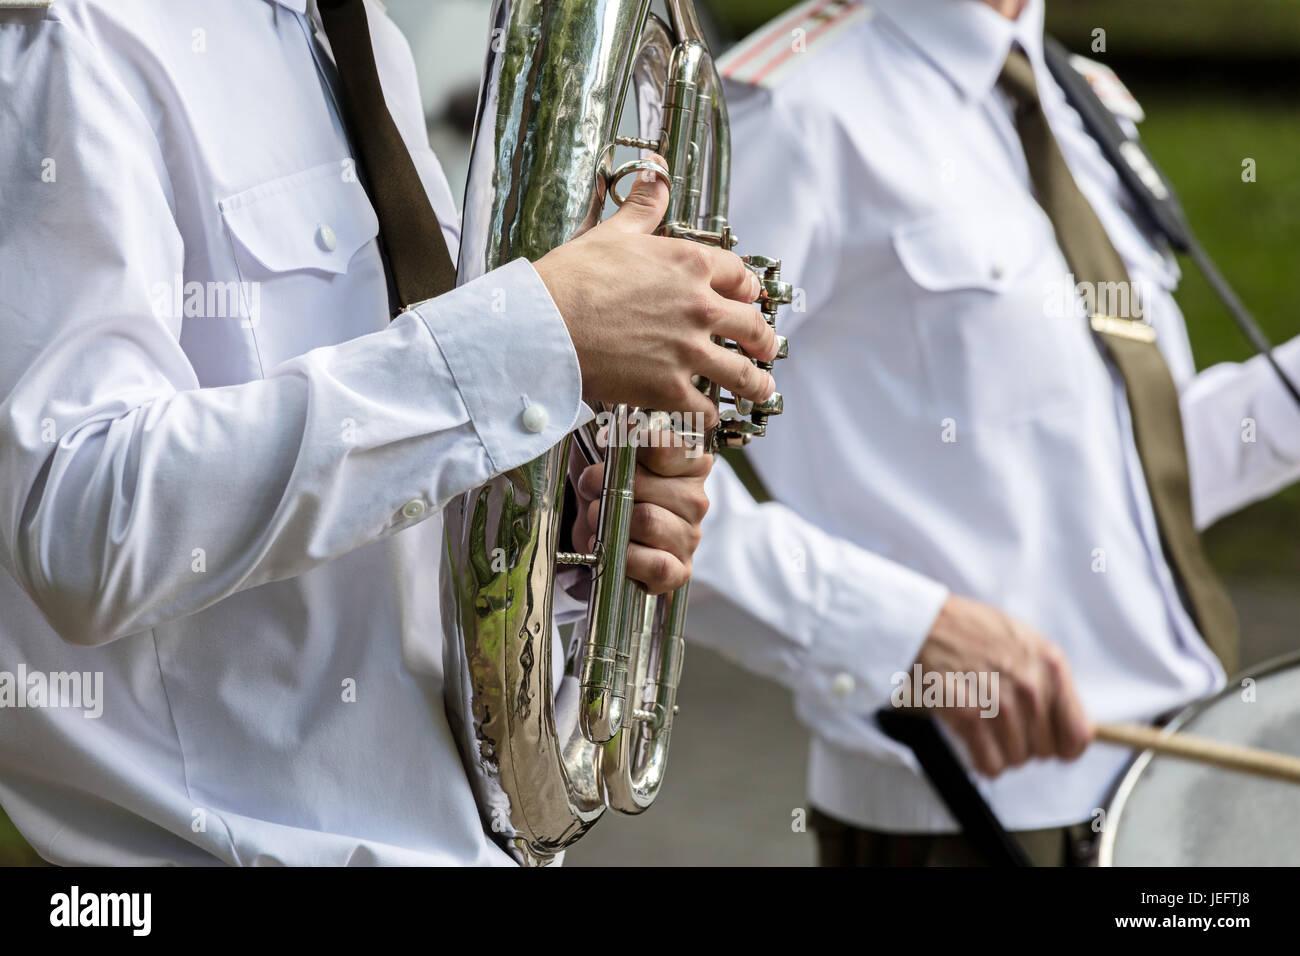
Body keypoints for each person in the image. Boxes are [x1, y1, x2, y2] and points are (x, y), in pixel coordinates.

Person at [0, 0, 777, 865]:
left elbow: (377, 507)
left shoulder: (360, 37)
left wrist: (571, 528)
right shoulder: (75, 35)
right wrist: (539, 335)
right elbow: (81, 527)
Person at [687, 0, 1300, 865]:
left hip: (1174, 797)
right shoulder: (795, 110)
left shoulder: (1078, 99)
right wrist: (898, 633)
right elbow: (617, 475)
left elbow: (1116, 476)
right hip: (968, 821)